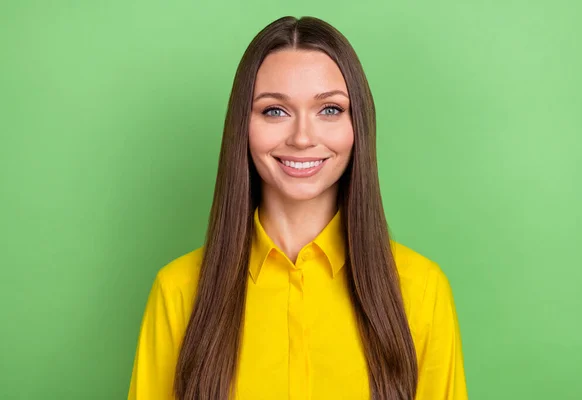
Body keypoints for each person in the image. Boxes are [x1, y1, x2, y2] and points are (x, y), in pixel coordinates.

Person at [128, 15, 468, 400]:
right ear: (243, 124)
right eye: (275, 110)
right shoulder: (179, 292)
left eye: (330, 110)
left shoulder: (420, 290)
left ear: (359, 126)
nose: (303, 137)